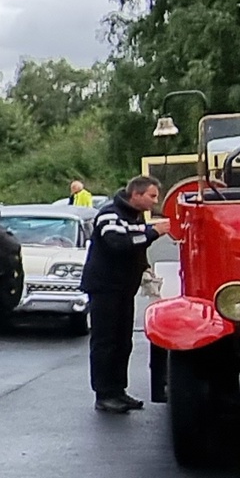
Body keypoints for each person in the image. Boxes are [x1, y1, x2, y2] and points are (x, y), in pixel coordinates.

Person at [85, 174, 164, 414]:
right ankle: (104, 394)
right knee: (105, 342)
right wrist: (153, 233)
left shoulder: (135, 216)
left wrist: (144, 266)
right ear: (136, 194)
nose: (155, 201)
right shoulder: (110, 214)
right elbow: (118, 244)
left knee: (123, 342)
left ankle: (118, 390)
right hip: (105, 288)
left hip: (123, 289)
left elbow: (134, 245)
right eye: (152, 196)